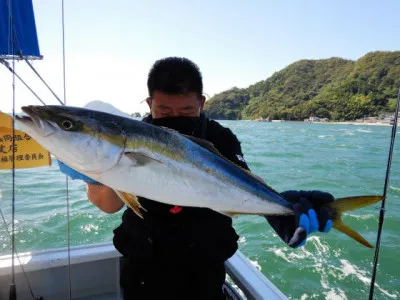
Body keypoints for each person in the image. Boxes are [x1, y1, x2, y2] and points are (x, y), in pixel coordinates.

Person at [58, 57, 334, 300]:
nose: (175, 118)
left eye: (187, 111)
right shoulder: (130, 137)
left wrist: (279, 208)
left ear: (201, 102)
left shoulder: (220, 137)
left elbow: (238, 182)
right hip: (143, 263)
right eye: (164, 111)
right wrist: (94, 174)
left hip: (203, 266)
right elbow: (109, 206)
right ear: (149, 103)